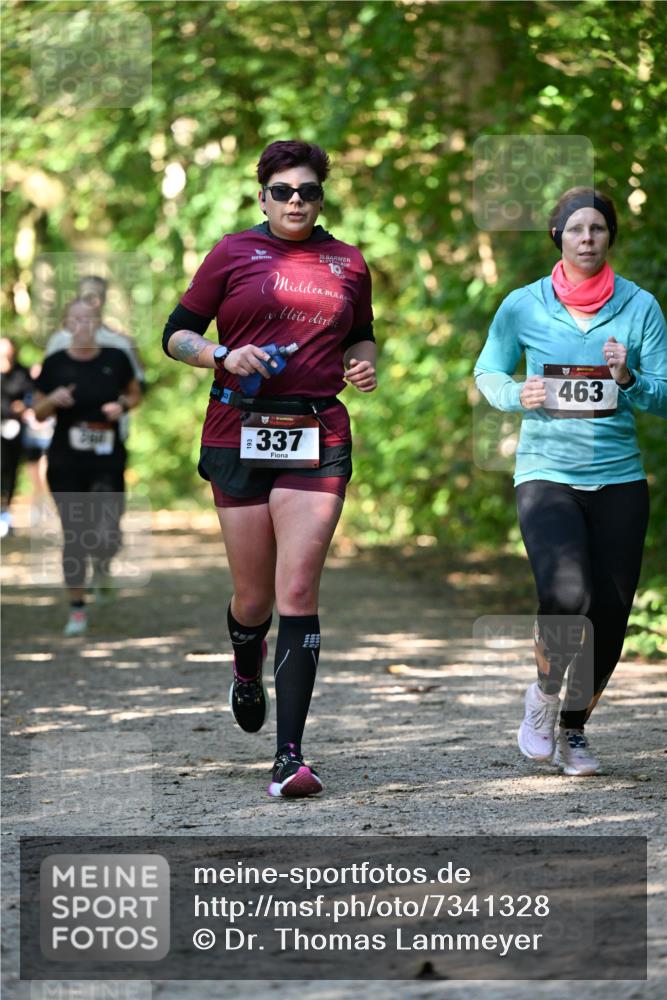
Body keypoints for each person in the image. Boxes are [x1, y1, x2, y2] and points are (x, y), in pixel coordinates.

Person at [162, 140, 376, 798]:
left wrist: (365, 362)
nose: (294, 202)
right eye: (281, 191)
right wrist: (221, 353)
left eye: (306, 191)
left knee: (298, 593)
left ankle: (290, 756)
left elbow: (360, 332)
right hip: (237, 428)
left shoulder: (346, 261)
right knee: (253, 599)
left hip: (317, 429)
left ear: (321, 197)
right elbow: (175, 332)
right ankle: (245, 668)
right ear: (262, 197)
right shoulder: (232, 252)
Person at [475, 187, 667, 776]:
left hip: (618, 479)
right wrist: (516, 393)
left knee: (610, 613)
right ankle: (542, 695)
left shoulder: (640, 308)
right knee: (567, 594)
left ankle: (574, 732)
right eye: (576, 229)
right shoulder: (523, 305)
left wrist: (629, 377)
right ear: (557, 236)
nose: (588, 238)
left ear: (609, 238)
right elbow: (488, 369)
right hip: (546, 472)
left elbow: (664, 395)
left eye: (598, 229)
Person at [33, 298, 142, 635]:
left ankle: (104, 563)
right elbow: (37, 411)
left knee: (107, 529)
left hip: (108, 457)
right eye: (76, 319)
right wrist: (53, 401)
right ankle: (77, 609)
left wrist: (121, 405)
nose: (82, 325)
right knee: (74, 532)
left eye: (89, 318)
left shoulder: (116, 358)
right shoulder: (54, 363)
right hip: (66, 459)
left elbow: (135, 394)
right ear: (67, 325)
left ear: (98, 323)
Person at [45, 275, 145, 440]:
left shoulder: (121, 342)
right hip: (65, 430)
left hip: (110, 430)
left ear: (104, 299)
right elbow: (45, 385)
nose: (92, 301)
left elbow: (137, 386)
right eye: (86, 295)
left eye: (96, 295)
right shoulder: (59, 340)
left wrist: (121, 406)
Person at [1, 337, 32, 537]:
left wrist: (23, 407)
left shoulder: (22, 373)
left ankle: (5, 515)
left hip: (14, 433)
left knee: (9, 473)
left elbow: (31, 396)